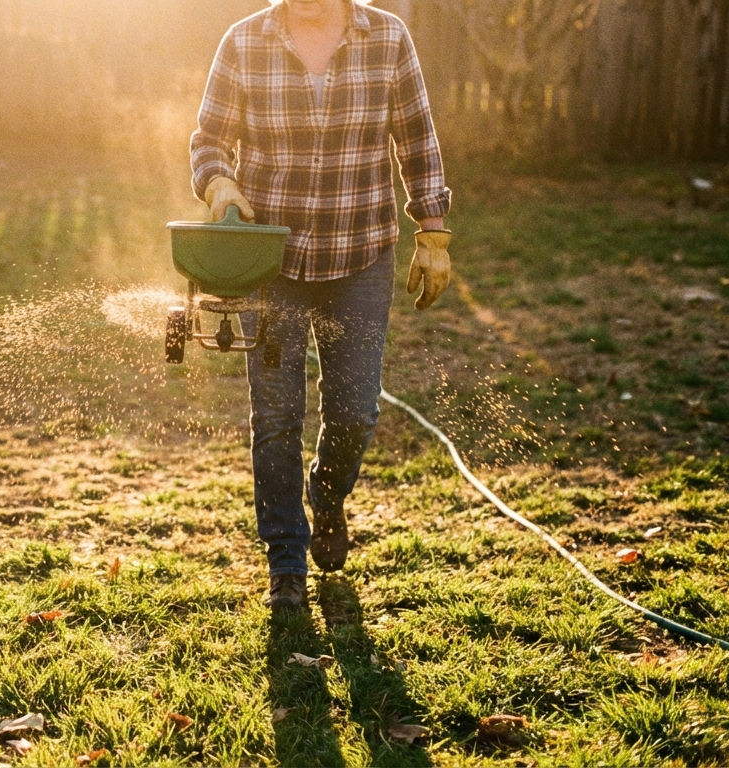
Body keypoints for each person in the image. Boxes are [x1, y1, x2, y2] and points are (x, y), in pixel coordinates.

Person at [190, 0, 452, 612]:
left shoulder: (388, 37)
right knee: (277, 418)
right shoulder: (243, 41)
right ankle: (285, 561)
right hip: (269, 263)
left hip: (359, 254)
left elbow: (417, 137)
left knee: (356, 411)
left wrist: (433, 230)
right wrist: (218, 180)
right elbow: (208, 139)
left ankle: (327, 497)